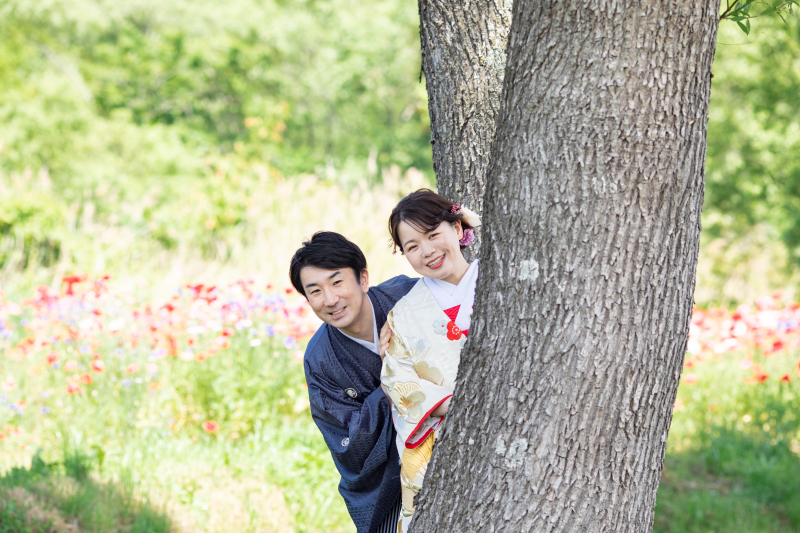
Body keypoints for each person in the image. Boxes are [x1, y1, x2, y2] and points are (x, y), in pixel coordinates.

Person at [290, 231, 417, 533]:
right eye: (315, 291)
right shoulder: (320, 360)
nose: (330, 299)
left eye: (337, 282)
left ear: (362, 279)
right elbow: (349, 446)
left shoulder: (408, 296)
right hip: (390, 480)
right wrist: (391, 377)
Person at [379, 189, 481, 532]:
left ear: (457, 228)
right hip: (446, 437)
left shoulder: (500, 283)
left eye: (433, 234)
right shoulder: (405, 314)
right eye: (412, 246)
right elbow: (396, 378)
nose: (427, 252)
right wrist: (461, 404)